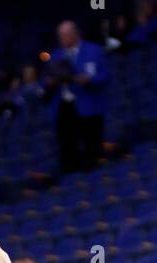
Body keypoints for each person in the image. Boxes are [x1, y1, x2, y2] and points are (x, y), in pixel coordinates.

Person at [44, 19, 109, 173]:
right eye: (60, 36)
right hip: (64, 105)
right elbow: (45, 80)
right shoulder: (56, 55)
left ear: (74, 34)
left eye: (65, 35)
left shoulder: (93, 50)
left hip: (88, 104)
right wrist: (50, 82)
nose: (62, 39)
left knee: (90, 145)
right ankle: (71, 174)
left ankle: (92, 173)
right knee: (67, 145)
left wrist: (88, 79)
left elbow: (104, 76)